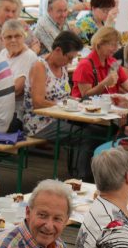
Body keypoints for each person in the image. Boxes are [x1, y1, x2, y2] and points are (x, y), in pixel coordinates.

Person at [24, 31, 100, 179]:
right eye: (69, 57)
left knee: (98, 130)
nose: (71, 62)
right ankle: (80, 177)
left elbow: (63, 96)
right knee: (85, 135)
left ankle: (84, 174)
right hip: (39, 123)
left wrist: (76, 103)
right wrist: (65, 106)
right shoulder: (40, 67)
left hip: (59, 118)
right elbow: (38, 103)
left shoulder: (62, 67)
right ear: (58, 50)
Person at [71, 26, 128, 99]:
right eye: (112, 44)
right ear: (100, 43)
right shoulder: (85, 65)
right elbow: (85, 95)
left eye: (117, 44)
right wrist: (104, 84)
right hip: (87, 108)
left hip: (108, 107)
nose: (116, 48)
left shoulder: (113, 62)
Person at [0, 19, 37, 121]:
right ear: (2, 39)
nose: (13, 40)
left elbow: (17, 89)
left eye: (17, 36)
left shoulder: (29, 56)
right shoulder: (3, 53)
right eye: (9, 37)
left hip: (16, 114)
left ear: (24, 37)